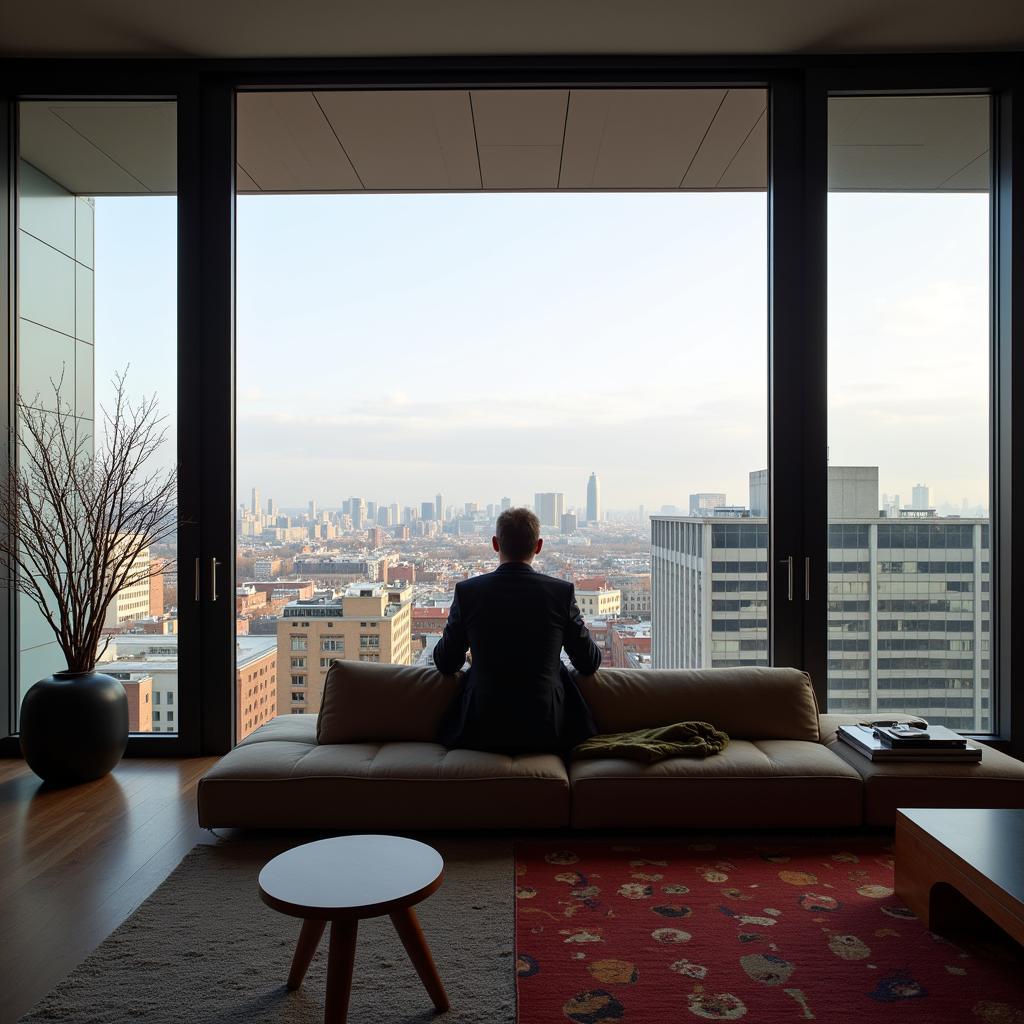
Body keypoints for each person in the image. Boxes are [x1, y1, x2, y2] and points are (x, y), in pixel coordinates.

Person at [433, 506, 602, 752]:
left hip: (481, 725)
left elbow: (445, 662)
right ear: (538, 546)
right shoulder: (560, 593)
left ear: (495, 543)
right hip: (546, 726)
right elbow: (589, 662)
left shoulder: (468, 593)